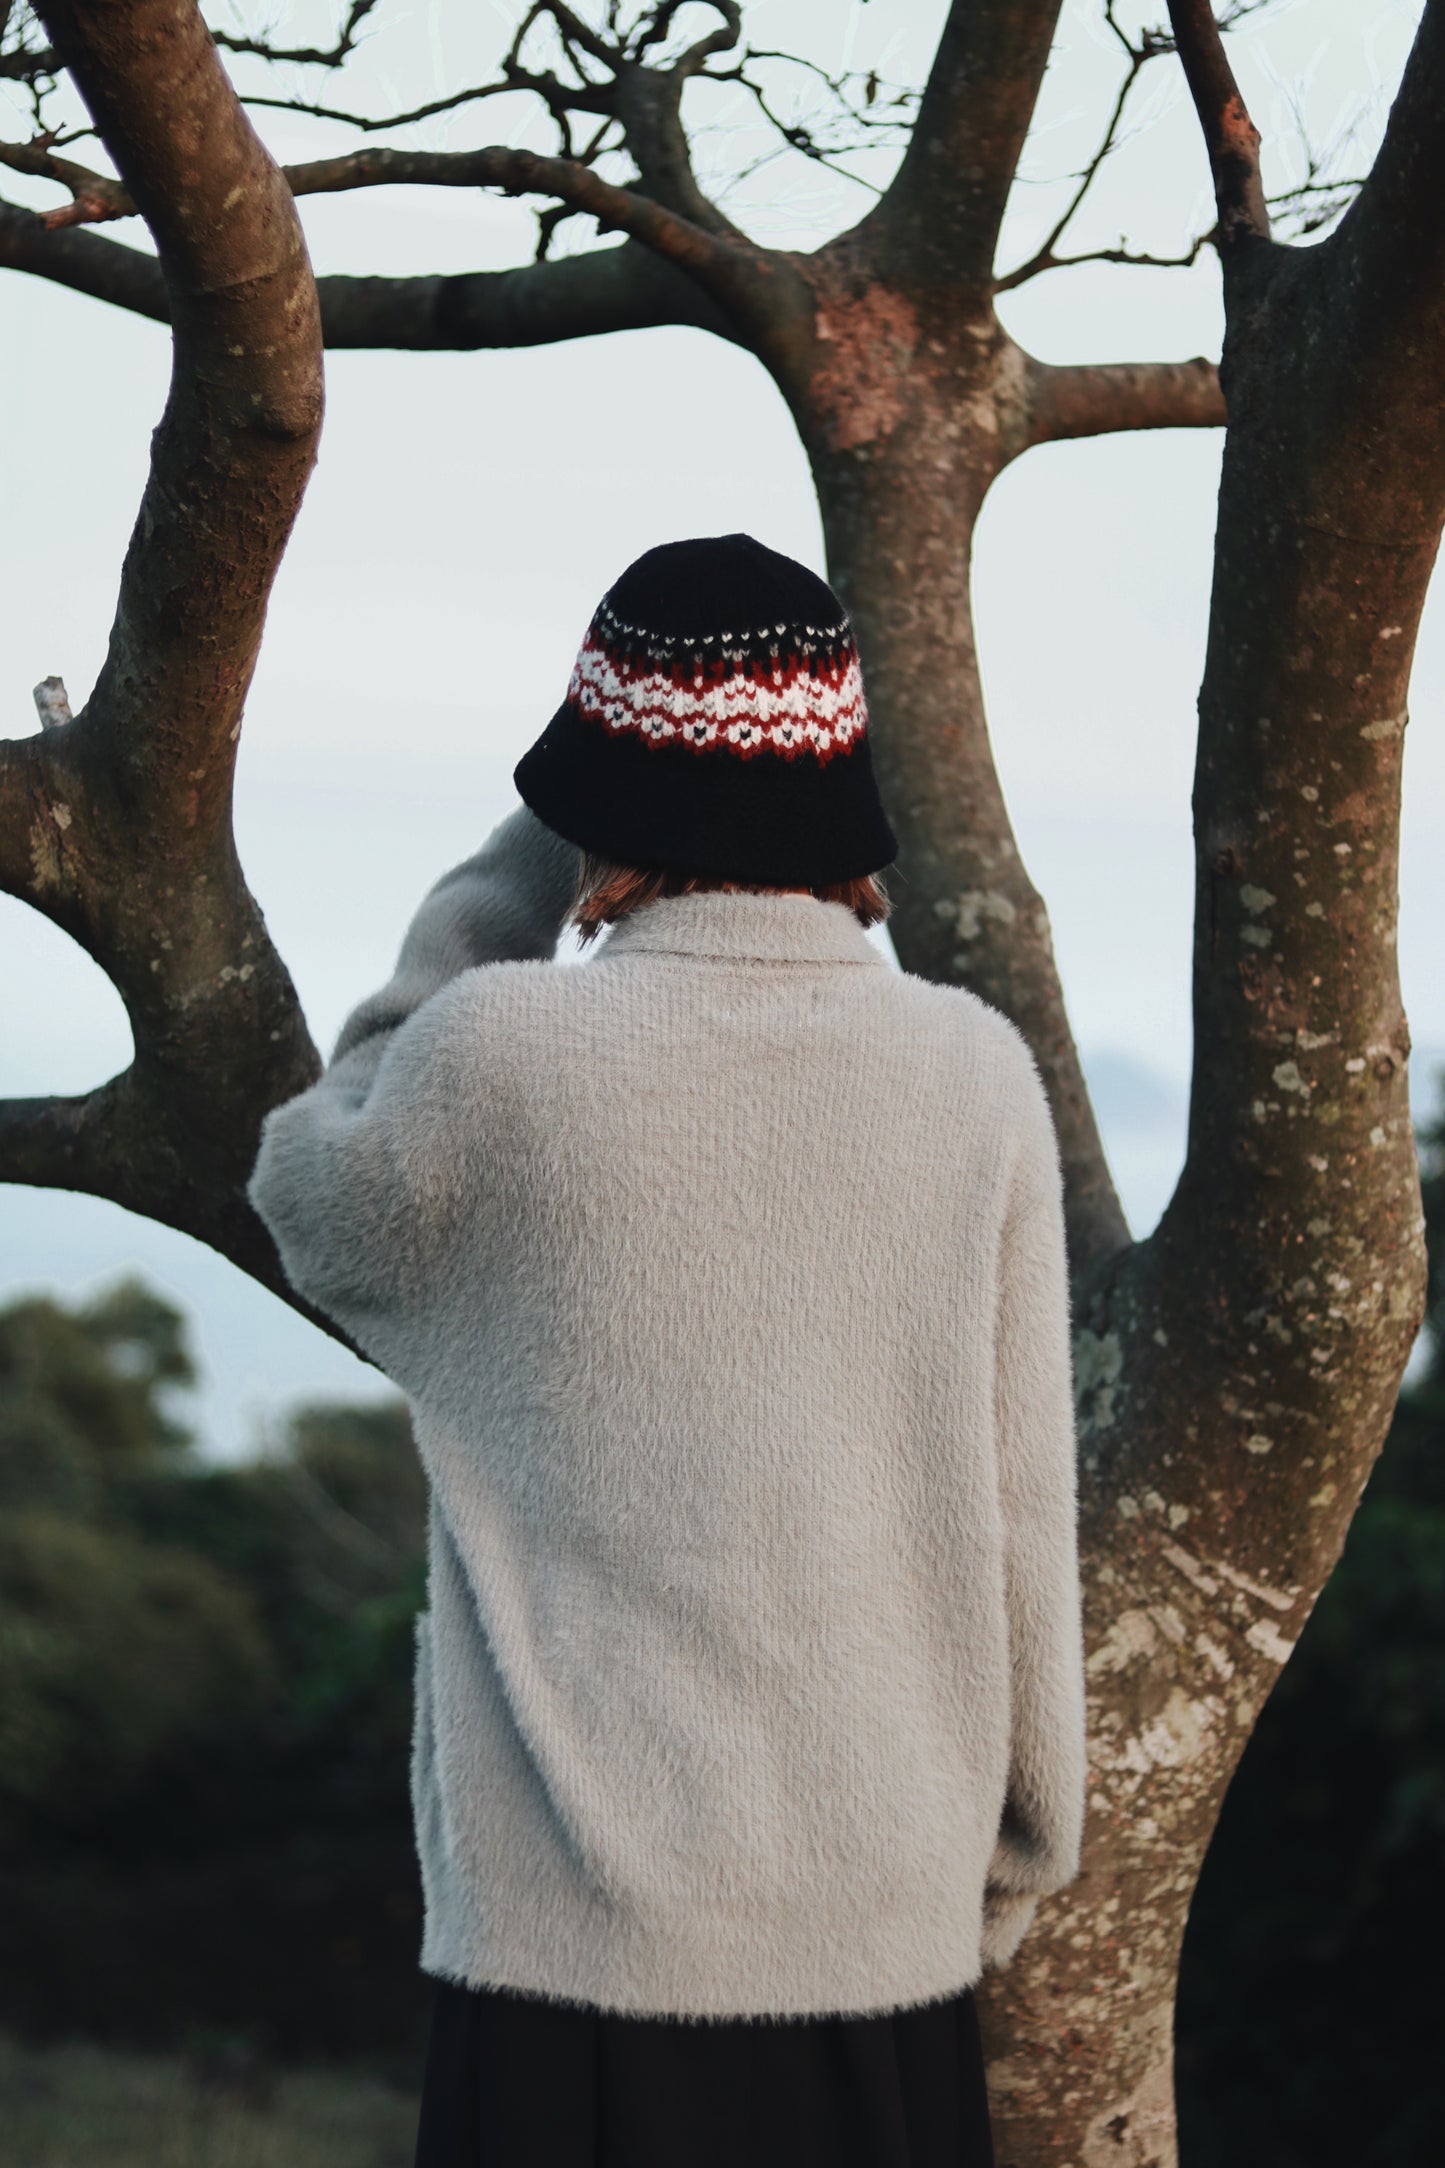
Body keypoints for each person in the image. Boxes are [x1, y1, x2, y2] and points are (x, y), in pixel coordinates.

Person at [248, 533, 1087, 2168]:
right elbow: (1016, 1506)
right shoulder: (973, 1077)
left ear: (595, 813)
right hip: (883, 1956)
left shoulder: (500, 1056)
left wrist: (518, 864)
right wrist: (1006, 1861)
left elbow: (310, 1187)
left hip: (576, 1969)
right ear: (843, 802)